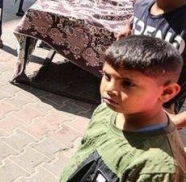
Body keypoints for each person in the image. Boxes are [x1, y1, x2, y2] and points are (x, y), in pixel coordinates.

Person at [60, 35, 186, 181]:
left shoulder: (158, 168)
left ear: (166, 92)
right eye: (107, 76)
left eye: (127, 84)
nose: (109, 89)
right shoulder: (105, 111)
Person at [117, 0, 186, 129]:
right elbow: (140, 17)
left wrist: (175, 122)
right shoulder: (142, 4)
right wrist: (128, 26)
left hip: (159, 115)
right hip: (127, 102)